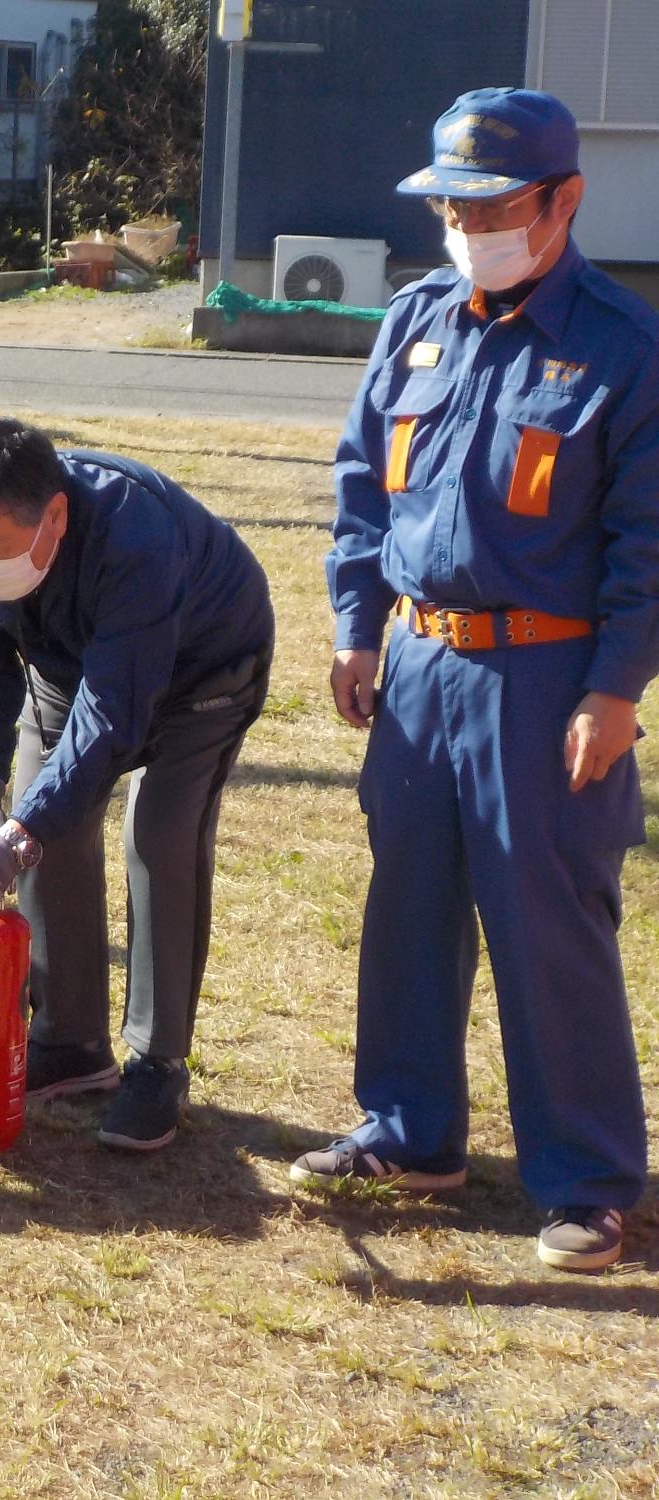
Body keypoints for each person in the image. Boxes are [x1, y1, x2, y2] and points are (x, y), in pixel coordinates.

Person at [301, 89, 659, 1274]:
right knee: (405, 903)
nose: (464, 223)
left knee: (546, 920)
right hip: (414, 664)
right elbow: (365, 482)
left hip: (545, 679)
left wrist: (614, 690)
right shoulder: (415, 318)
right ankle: (410, 1134)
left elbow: (643, 544)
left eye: (490, 204)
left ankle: (588, 1180)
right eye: (448, 202)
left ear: (563, 200)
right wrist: (356, 623)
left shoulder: (621, 346)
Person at [0, 418, 274, 1152]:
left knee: (160, 837)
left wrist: (17, 838)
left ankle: (158, 1063)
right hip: (66, 667)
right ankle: (70, 1042)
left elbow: (115, 712)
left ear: (54, 514)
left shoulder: (134, 533)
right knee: (40, 825)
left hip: (201, 670)